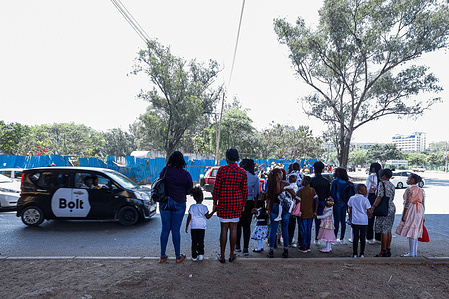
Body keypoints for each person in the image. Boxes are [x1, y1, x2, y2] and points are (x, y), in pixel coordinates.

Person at [212, 148, 248, 263]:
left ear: (227, 158)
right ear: (237, 158)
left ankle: (222, 256)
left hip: (223, 202)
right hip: (236, 203)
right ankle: (232, 254)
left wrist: (214, 202)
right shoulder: (242, 172)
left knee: (224, 229)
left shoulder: (222, 170)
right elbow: (245, 191)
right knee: (234, 229)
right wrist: (243, 204)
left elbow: (216, 188)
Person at [159, 151, 193, 264]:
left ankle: (162, 256)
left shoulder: (165, 170)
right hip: (179, 203)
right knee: (175, 230)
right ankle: (178, 257)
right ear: (181, 161)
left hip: (164, 203)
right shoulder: (185, 174)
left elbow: (160, 183)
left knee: (165, 229)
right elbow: (189, 189)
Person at [395, 173, 425, 257]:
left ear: (412, 180)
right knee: (415, 230)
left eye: (409, 178)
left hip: (412, 209)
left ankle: (412, 253)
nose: (407, 180)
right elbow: (423, 203)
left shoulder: (409, 189)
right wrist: (423, 215)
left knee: (411, 231)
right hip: (420, 210)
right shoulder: (421, 190)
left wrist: (404, 214)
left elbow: (407, 203)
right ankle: (414, 252)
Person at [236, 158, 260, 256]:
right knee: (247, 226)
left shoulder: (238, 174)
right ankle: (245, 248)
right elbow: (256, 194)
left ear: (244, 165)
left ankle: (237, 245)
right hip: (249, 203)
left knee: (237, 224)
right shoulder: (255, 178)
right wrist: (254, 207)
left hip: (238, 201)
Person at [185, 186, 215, 261]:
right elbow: (208, 217)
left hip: (193, 227)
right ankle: (201, 254)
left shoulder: (192, 207)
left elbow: (189, 217)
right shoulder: (204, 207)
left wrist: (187, 226)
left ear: (194, 198)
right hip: (201, 227)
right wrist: (214, 211)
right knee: (201, 241)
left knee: (194, 241)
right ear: (202, 197)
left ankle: (194, 256)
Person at [266, 167, 291, 258]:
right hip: (285, 208)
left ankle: (271, 250)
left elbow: (266, 196)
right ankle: (285, 250)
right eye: (281, 173)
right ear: (279, 175)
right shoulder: (285, 183)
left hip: (274, 207)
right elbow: (293, 193)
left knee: (273, 229)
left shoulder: (270, 184)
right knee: (285, 229)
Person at [371, 168, 396, 257]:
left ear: (384, 176)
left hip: (383, 208)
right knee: (388, 229)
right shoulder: (392, 185)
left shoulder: (381, 184)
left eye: (381, 175)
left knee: (383, 231)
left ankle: (383, 251)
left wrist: (373, 207)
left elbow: (379, 197)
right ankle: (388, 249)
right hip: (391, 207)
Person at [348, 184, 372, 258]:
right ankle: (362, 253)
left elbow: (350, 210)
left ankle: (355, 253)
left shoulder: (352, 198)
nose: (366, 191)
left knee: (355, 238)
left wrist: (351, 219)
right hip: (364, 220)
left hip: (355, 220)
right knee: (362, 238)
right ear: (360, 191)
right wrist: (370, 214)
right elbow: (368, 210)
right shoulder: (365, 199)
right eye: (365, 190)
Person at [310, 161, 331, 244]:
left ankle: (308, 239)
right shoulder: (326, 181)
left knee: (309, 220)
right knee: (319, 221)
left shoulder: (311, 180)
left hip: (311, 202)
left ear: (314, 169)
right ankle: (317, 239)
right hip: (322, 202)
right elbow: (328, 194)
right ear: (322, 170)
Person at [297, 176, 318, 253]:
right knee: (308, 230)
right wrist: (315, 211)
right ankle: (308, 246)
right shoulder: (312, 190)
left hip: (302, 213)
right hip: (310, 212)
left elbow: (297, 201)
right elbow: (317, 200)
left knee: (303, 230)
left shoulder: (300, 191)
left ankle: (303, 246)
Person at [330, 167, 350, 244]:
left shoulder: (334, 182)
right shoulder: (346, 182)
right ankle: (342, 238)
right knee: (343, 221)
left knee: (336, 221)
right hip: (344, 203)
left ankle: (334, 238)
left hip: (337, 203)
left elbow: (332, 193)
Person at [365, 162, 382, 244]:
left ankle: (369, 237)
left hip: (371, 198)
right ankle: (378, 238)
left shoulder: (371, 177)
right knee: (378, 219)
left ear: (373, 168)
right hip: (380, 199)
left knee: (370, 218)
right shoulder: (382, 177)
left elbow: (367, 189)